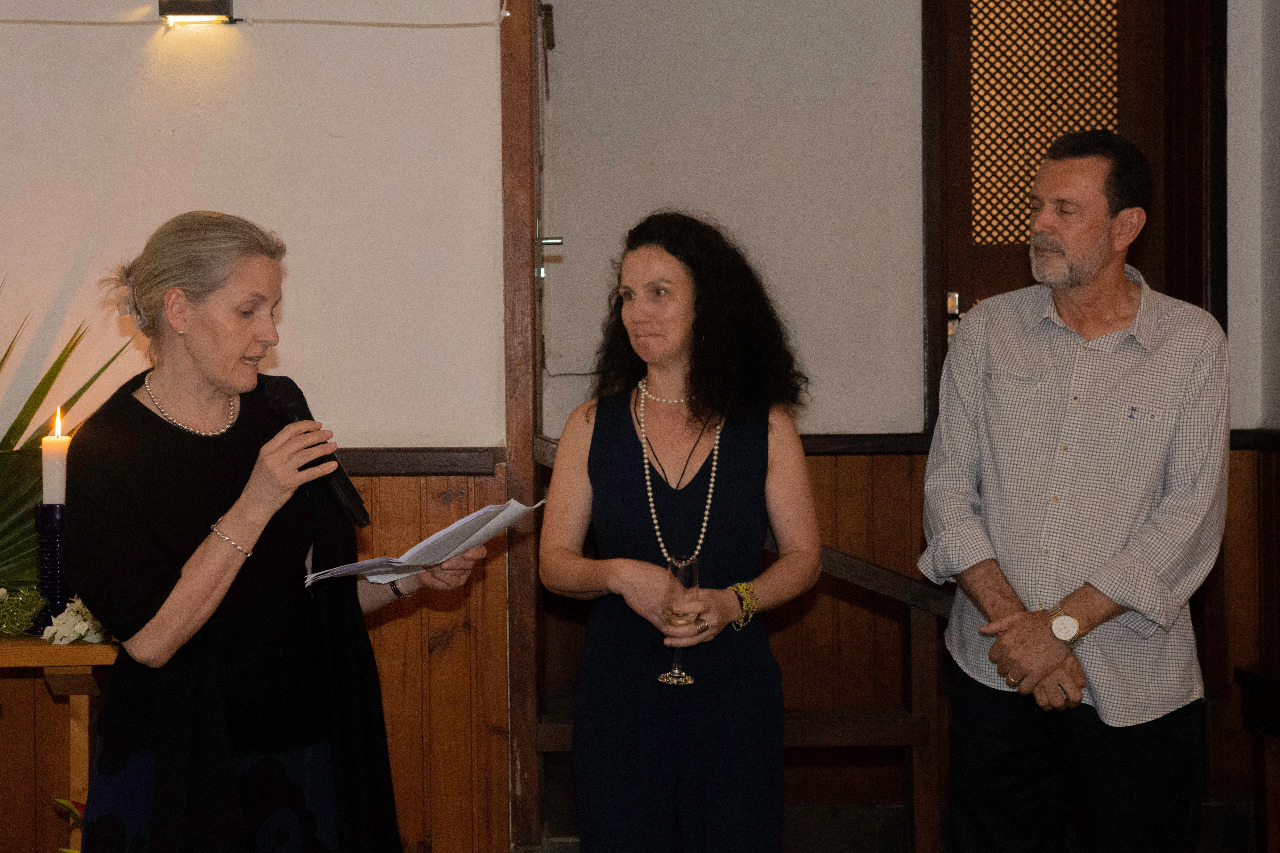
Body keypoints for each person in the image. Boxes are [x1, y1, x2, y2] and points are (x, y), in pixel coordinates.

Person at [64, 211, 484, 853]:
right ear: (179, 310)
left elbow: (313, 596)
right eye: (248, 311)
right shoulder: (109, 450)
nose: (270, 333)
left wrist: (409, 578)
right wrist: (255, 502)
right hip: (185, 764)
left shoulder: (279, 406)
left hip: (304, 751)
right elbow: (151, 641)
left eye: (273, 310)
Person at [919, 130, 1229, 852]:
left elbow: (1189, 517)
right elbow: (947, 492)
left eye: (1065, 209)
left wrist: (1058, 628)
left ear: (1126, 226)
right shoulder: (986, 332)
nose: (1039, 225)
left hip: (1137, 683)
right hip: (996, 673)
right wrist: (1021, 632)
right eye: (1037, 205)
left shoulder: (1192, 343)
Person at [539, 211, 822, 852]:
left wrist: (735, 602)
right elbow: (553, 563)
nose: (638, 312)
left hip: (733, 688)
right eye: (627, 296)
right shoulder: (591, 424)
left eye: (659, 292)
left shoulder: (765, 424)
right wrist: (617, 574)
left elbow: (804, 557)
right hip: (620, 689)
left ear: (707, 303)